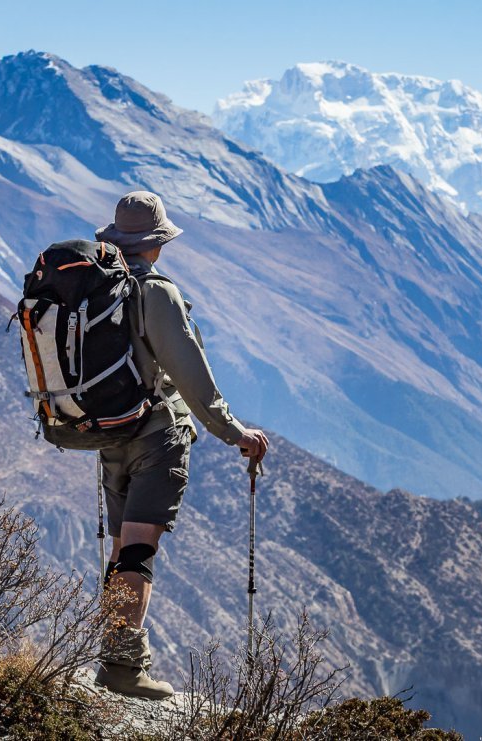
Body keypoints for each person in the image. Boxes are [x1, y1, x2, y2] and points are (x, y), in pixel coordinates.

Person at [91, 190, 269, 700]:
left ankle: (113, 657)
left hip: (111, 434)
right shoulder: (155, 292)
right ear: (158, 243)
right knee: (139, 550)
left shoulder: (100, 289)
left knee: (124, 547)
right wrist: (234, 431)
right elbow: (189, 372)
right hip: (156, 436)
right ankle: (123, 670)